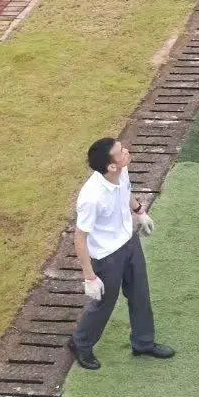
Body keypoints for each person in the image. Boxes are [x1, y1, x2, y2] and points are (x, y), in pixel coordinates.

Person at [69, 137, 174, 371]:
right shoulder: (91, 198)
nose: (127, 151)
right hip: (106, 256)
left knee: (140, 293)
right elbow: (80, 238)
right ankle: (80, 343)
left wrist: (140, 211)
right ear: (110, 166)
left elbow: (125, 193)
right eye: (121, 152)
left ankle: (143, 343)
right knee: (104, 303)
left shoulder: (121, 172)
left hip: (129, 242)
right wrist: (89, 277)